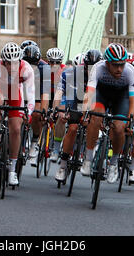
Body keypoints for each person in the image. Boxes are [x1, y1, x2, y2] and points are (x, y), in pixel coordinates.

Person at [81, 43, 134, 183]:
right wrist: (85, 113)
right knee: (95, 118)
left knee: (119, 128)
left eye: (122, 65)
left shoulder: (130, 71)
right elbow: (89, 92)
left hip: (121, 98)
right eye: (115, 65)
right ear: (107, 63)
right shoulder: (98, 68)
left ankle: (113, 163)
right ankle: (88, 159)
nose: (119, 69)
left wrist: (130, 122)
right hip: (102, 95)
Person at [0, 42, 35, 186]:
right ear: (3, 61)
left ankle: (12, 170)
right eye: (8, 63)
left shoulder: (26, 68)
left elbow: (30, 96)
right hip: (0, 89)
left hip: (15, 93)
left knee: (16, 129)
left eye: (14, 63)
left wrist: (28, 113)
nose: (12, 66)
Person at [53, 49, 102, 182]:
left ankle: (88, 153)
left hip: (93, 100)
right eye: (88, 68)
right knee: (73, 128)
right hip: (76, 99)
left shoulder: (103, 75)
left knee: (93, 122)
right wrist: (57, 109)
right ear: (84, 65)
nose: (90, 71)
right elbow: (61, 93)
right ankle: (63, 166)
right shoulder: (73, 73)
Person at [21, 44, 50, 167]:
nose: (31, 66)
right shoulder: (18, 66)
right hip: (21, 91)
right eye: (28, 63)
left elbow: (45, 93)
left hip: (38, 92)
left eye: (34, 63)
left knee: (37, 114)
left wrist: (43, 111)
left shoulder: (45, 69)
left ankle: (34, 140)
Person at [46, 47, 66, 162]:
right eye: (51, 62)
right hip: (47, 94)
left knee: (59, 115)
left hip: (60, 95)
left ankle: (56, 148)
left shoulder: (65, 71)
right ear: (47, 61)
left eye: (57, 62)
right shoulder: (43, 70)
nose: (54, 65)